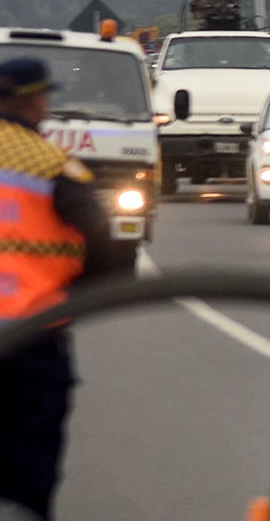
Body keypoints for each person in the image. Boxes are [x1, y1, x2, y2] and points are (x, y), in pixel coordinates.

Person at [0, 57, 120, 519]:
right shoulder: (48, 162)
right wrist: (88, 293)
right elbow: (99, 237)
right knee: (29, 452)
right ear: (34, 101)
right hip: (31, 337)